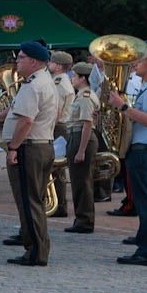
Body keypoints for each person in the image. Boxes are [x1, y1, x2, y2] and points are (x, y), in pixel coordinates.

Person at [3, 41, 61, 267]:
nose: (17, 62)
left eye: (21, 58)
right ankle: (37, 248)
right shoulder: (45, 81)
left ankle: (35, 251)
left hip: (30, 146)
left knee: (29, 201)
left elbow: (27, 121)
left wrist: (13, 147)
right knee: (34, 199)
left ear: (34, 61)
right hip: (41, 143)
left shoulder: (33, 85)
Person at [110, 38, 147, 266]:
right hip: (143, 149)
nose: (135, 63)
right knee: (146, 202)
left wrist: (124, 107)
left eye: (140, 59)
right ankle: (144, 243)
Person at [63, 62, 101, 235]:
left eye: (74, 76)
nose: (72, 78)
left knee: (82, 182)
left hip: (81, 137)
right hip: (76, 135)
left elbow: (87, 124)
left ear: (83, 78)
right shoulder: (81, 95)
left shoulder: (85, 96)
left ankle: (84, 220)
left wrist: (81, 150)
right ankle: (81, 218)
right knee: (78, 181)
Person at [47, 50, 77, 219]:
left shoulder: (59, 83)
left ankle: (58, 205)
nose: (49, 65)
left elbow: (55, 110)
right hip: (60, 126)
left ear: (57, 66)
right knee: (56, 168)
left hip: (57, 126)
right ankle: (59, 204)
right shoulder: (61, 81)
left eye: (51, 62)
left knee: (55, 168)